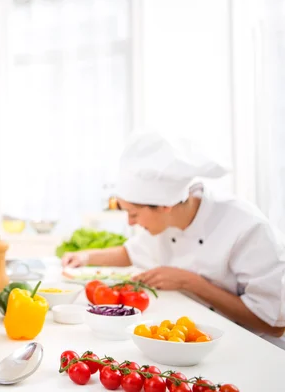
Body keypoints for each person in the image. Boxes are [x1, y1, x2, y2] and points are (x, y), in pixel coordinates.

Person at [62, 131, 285, 348]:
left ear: (164, 206)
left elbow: (274, 325)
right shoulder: (168, 218)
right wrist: (85, 256)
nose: (130, 223)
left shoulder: (246, 225)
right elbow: (130, 252)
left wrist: (189, 281)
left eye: (134, 214)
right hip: (193, 337)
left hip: (253, 346)